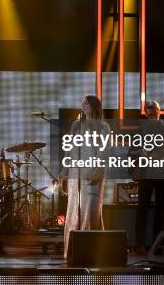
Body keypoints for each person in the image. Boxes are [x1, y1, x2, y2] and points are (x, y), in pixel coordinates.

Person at [60, 95, 109, 259]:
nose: (83, 107)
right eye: (82, 105)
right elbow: (69, 149)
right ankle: (73, 251)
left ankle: (91, 252)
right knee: (74, 211)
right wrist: (64, 170)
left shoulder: (103, 127)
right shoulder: (76, 126)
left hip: (92, 175)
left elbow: (103, 153)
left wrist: (96, 170)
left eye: (86, 104)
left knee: (90, 211)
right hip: (76, 174)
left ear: (94, 106)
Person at [131, 100, 164, 254]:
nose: (151, 115)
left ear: (159, 111)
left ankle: (157, 245)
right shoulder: (140, 129)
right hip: (145, 173)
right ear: (145, 113)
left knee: (161, 210)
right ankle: (140, 245)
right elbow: (131, 152)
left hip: (163, 173)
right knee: (142, 209)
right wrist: (141, 152)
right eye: (148, 112)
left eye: (154, 112)